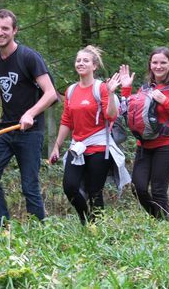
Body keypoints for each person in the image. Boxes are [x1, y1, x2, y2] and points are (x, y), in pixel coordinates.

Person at [0, 9, 57, 223]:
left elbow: (50, 93)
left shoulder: (28, 57)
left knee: (29, 185)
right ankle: (3, 227)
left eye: (5, 28)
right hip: (6, 129)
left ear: (14, 30)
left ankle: (38, 232)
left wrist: (30, 113)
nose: (0, 32)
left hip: (31, 131)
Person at [50, 46, 126, 225]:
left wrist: (112, 92)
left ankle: (97, 228)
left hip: (99, 147)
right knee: (70, 187)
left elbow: (111, 116)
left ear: (94, 66)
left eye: (85, 61)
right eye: (78, 60)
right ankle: (85, 220)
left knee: (94, 191)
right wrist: (57, 146)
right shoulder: (71, 90)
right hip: (77, 147)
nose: (81, 63)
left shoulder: (101, 88)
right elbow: (67, 120)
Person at [119, 47, 169, 219]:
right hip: (144, 144)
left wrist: (166, 102)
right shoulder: (145, 88)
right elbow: (128, 113)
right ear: (150, 65)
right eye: (155, 62)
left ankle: (163, 229)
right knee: (138, 188)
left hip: (168, 142)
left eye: (163, 62)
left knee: (159, 190)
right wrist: (126, 89)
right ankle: (161, 220)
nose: (158, 66)